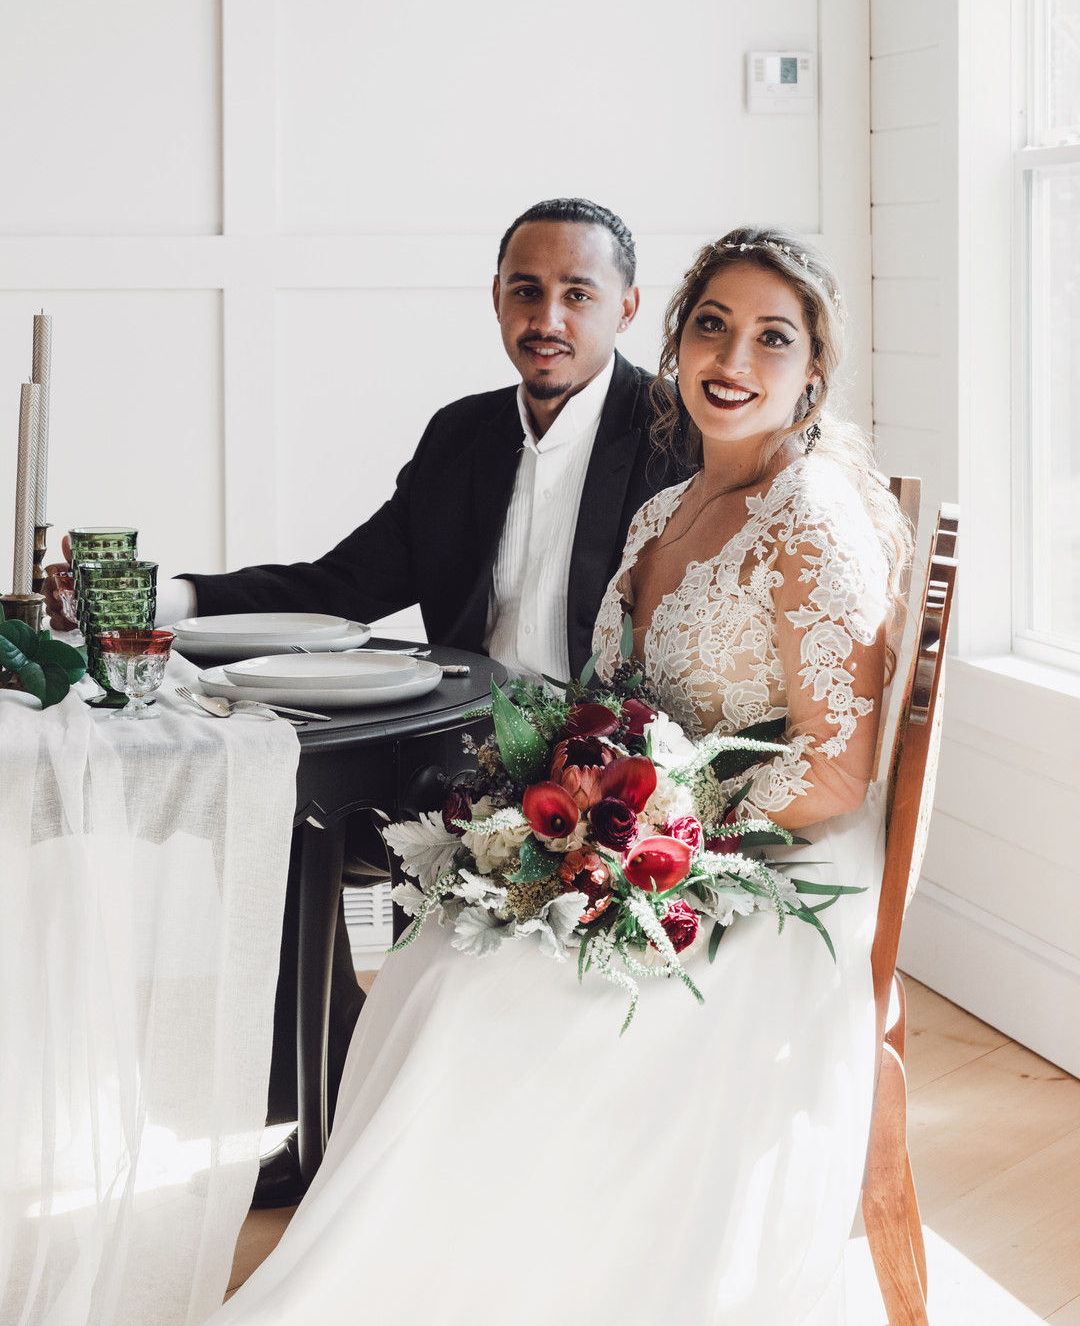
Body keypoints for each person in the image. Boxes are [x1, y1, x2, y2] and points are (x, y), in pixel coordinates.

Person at [202, 227, 912, 1326]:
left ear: (813, 370)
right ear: (676, 341)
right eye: (714, 324)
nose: (734, 356)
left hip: (770, 869)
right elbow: (599, 700)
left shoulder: (809, 516)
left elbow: (835, 770)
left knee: (484, 986)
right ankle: (422, 1264)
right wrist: (595, 819)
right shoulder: (659, 511)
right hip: (640, 824)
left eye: (774, 337)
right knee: (440, 946)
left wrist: (659, 842)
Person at [44, 196, 687, 1206]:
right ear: (495, 298)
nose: (547, 316)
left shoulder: (671, 439)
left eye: (577, 293)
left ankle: (441, 1124)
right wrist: (162, 601)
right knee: (291, 819)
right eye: (526, 289)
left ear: (628, 306)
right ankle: (319, 1111)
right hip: (457, 746)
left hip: (603, 772)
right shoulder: (464, 434)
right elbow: (343, 586)